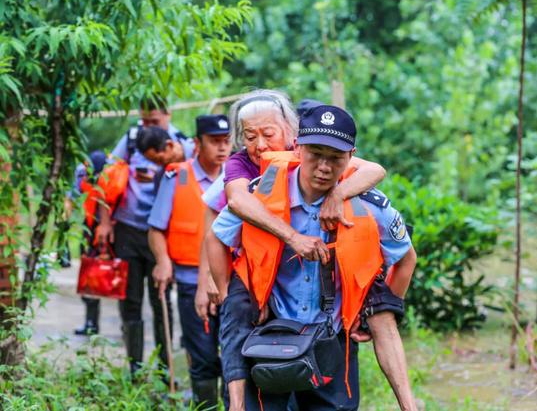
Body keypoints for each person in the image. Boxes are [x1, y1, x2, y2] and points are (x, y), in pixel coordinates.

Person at [200, 90, 400, 410]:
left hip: (327, 313)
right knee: (237, 320)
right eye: (250, 136)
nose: (260, 144)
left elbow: (374, 169)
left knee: (374, 319)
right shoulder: (242, 168)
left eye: (268, 134)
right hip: (259, 278)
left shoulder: (320, 155)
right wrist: (290, 239)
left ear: (291, 137)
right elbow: (233, 206)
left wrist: (338, 195)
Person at [95, 95, 195, 375]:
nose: (149, 125)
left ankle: (166, 370)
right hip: (128, 229)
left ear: (168, 115)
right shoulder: (131, 139)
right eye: (145, 120)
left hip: (162, 236)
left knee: (161, 299)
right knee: (130, 300)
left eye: (155, 120)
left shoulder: (183, 145)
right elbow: (107, 177)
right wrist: (105, 222)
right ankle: (134, 367)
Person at [147, 114, 231, 408]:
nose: (222, 148)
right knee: (204, 357)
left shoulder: (238, 178)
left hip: (229, 282)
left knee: (234, 358)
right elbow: (156, 228)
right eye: (214, 141)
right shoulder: (176, 176)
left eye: (226, 141)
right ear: (197, 143)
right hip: (188, 281)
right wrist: (162, 260)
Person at [73, 150, 108, 336]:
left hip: (104, 241)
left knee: (110, 283)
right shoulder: (87, 184)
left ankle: (92, 323)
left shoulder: (108, 186)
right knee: (89, 283)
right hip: (89, 237)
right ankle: (90, 323)